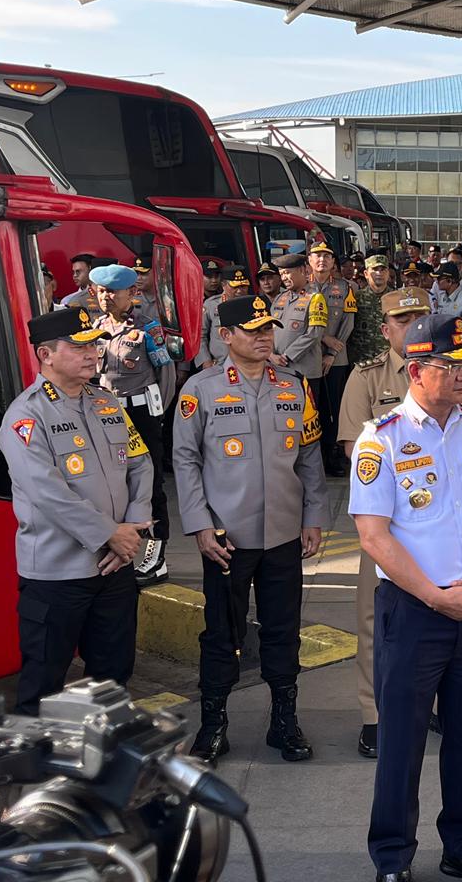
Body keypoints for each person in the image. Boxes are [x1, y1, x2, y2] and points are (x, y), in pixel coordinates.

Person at [350, 314, 462, 882]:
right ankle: (392, 857)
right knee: (401, 742)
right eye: (451, 365)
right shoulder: (383, 438)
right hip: (414, 611)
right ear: (417, 371)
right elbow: (373, 536)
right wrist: (433, 596)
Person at [173, 293, 328, 763]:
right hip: (226, 537)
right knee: (222, 632)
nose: (264, 338)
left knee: (283, 629)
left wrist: (314, 517)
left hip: (283, 532)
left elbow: (309, 456)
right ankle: (213, 725)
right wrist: (199, 524)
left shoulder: (294, 387)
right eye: (253, 330)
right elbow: (185, 460)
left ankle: (284, 721)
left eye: (268, 329)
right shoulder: (200, 390)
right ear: (225, 336)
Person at [0, 307, 154, 715]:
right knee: (44, 683)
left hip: (115, 568)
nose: (91, 354)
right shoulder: (25, 416)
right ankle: (37, 756)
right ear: (46, 355)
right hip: (58, 575)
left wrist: (133, 528)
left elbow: (140, 463)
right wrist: (111, 534)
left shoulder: (106, 402)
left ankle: (105, 749)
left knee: (113, 678)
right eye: (78, 346)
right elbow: (48, 493)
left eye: (93, 345)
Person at [336, 287, 433, 759]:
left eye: (420, 318)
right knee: (377, 622)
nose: (412, 327)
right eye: (402, 320)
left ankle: (427, 704)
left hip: (437, 523)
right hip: (387, 523)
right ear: (385, 329)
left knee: (435, 616)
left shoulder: (450, 372)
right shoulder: (367, 377)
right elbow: (355, 451)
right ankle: (374, 715)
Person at [91, 263, 174, 585]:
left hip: (140, 414)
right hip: (107, 417)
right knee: (112, 482)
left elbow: (166, 374)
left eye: (113, 291)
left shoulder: (147, 329)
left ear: (132, 293)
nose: (106, 297)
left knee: (149, 483)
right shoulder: (97, 328)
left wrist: (158, 413)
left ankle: (156, 553)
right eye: (102, 291)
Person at [309, 238, 359, 476]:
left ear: (332, 262)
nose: (322, 260)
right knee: (312, 406)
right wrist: (324, 339)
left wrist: (332, 352)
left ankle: (334, 455)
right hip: (308, 356)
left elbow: (348, 323)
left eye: (327, 256)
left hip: (336, 359)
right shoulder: (301, 288)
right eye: (317, 256)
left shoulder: (345, 288)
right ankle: (314, 456)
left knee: (335, 407)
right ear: (309, 260)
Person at [270, 253, 329, 383]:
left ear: (302, 270)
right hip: (279, 369)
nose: (284, 278)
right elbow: (270, 330)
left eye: (287, 273)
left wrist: (287, 356)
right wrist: (271, 355)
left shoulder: (315, 298)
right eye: (281, 274)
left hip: (304, 371)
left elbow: (314, 334)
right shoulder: (280, 298)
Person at [196, 265, 252, 370]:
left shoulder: (254, 304)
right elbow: (200, 335)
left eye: (243, 286)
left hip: (248, 363)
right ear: (223, 285)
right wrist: (205, 361)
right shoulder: (211, 304)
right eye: (235, 287)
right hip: (220, 364)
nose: (239, 291)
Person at [348, 254, 393, 365]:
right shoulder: (356, 298)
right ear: (366, 274)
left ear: (388, 273)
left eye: (383, 269)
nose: (379, 273)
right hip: (362, 361)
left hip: (388, 360)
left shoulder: (395, 298)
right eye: (375, 269)